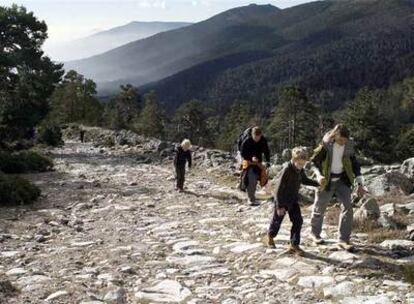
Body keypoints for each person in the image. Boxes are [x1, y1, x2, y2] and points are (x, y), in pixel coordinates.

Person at [309, 124, 367, 250]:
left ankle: (343, 240)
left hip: (342, 180)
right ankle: (314, 234)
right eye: (340, 140)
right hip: (326, 180)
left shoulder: (349, 146)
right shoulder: (326, 146)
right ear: (335, 136)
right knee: (320, 207)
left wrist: (360, 183)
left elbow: (355, 165)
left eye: (345, 141)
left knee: (348, 208)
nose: (342, 143)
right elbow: (313, 162)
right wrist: (318, 176)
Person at [265, 147, 319, 255]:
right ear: (293, 160)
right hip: (282, 200)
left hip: (293, 200)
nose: (301, 166)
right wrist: (279, 206)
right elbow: (278, 189)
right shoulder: (286, 170)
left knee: (298, 221)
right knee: (277, 220)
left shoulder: (300, 170)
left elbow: (304, 180)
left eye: (303, 164)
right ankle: (270, 237)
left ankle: (294, 244)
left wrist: (317, 184)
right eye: (299, 164)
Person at [240, 126, 271, 206]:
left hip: (258, 161)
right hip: (248, 160)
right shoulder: (247, 141)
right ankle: (251, 199)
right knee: (251, 177)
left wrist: (268, 161)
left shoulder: (263, 140)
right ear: (252, 135)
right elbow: (242, 153)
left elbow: (266, 151)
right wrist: (251, 158)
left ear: (261, 135)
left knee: (261, 176)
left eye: (259, 137)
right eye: (255, 137)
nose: (257, 139)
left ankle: (244, 186)